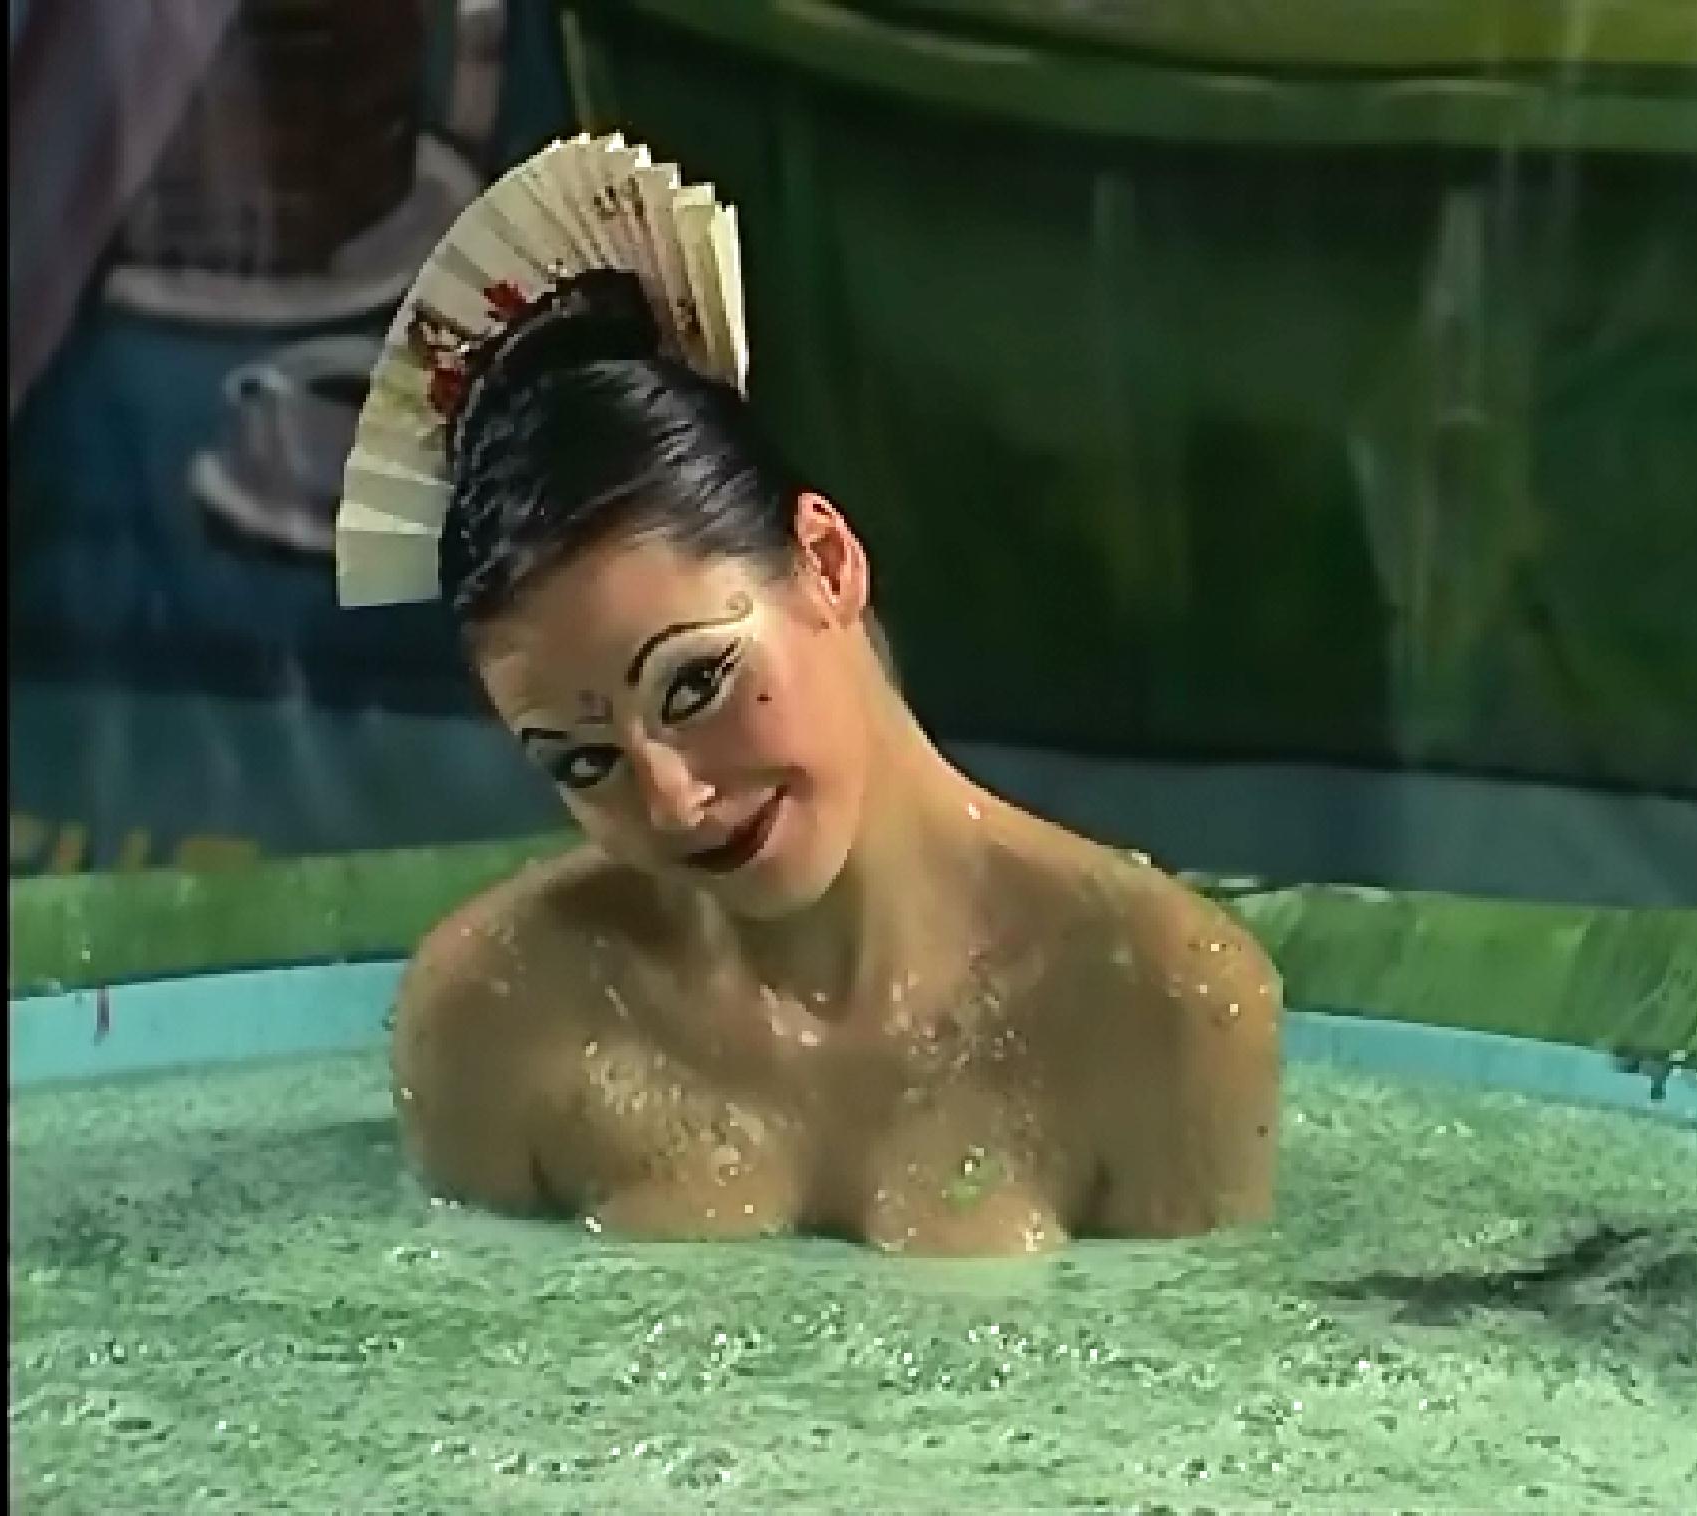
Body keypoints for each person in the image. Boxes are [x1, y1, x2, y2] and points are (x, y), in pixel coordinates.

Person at [363, 152, 1280, 1257]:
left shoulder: (1161, 1005)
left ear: (828, 562)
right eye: (581, 759)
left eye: (694, 684)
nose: (673, 798)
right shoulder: (497, 1016)